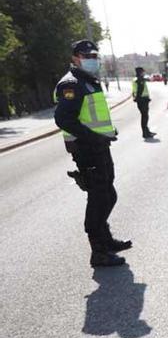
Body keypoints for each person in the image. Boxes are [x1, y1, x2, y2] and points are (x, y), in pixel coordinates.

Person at [54, 40, 131, 267]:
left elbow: (92, 116)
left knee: (108, 195)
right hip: (87, 150)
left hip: (100, 147)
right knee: (99, 198)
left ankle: (106, 241)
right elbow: (64, 119)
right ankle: (98, 251)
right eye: (87, 56)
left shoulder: (88, 81)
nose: (92, 59)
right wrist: (94, 137)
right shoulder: (71, 84)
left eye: (94, 55)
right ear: (75, 58)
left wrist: (107, 132)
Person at [132, 67, 155, 139]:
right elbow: (140, 90)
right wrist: (138, 98)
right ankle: (145, 133)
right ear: (140, 72)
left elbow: (135, 91)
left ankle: (147, 131)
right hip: (142, 100)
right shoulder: (139, 80)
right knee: (145, 117)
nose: (143, 73)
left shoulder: (137, 79)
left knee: (145, 116)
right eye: (142, 72)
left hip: (141, 100)